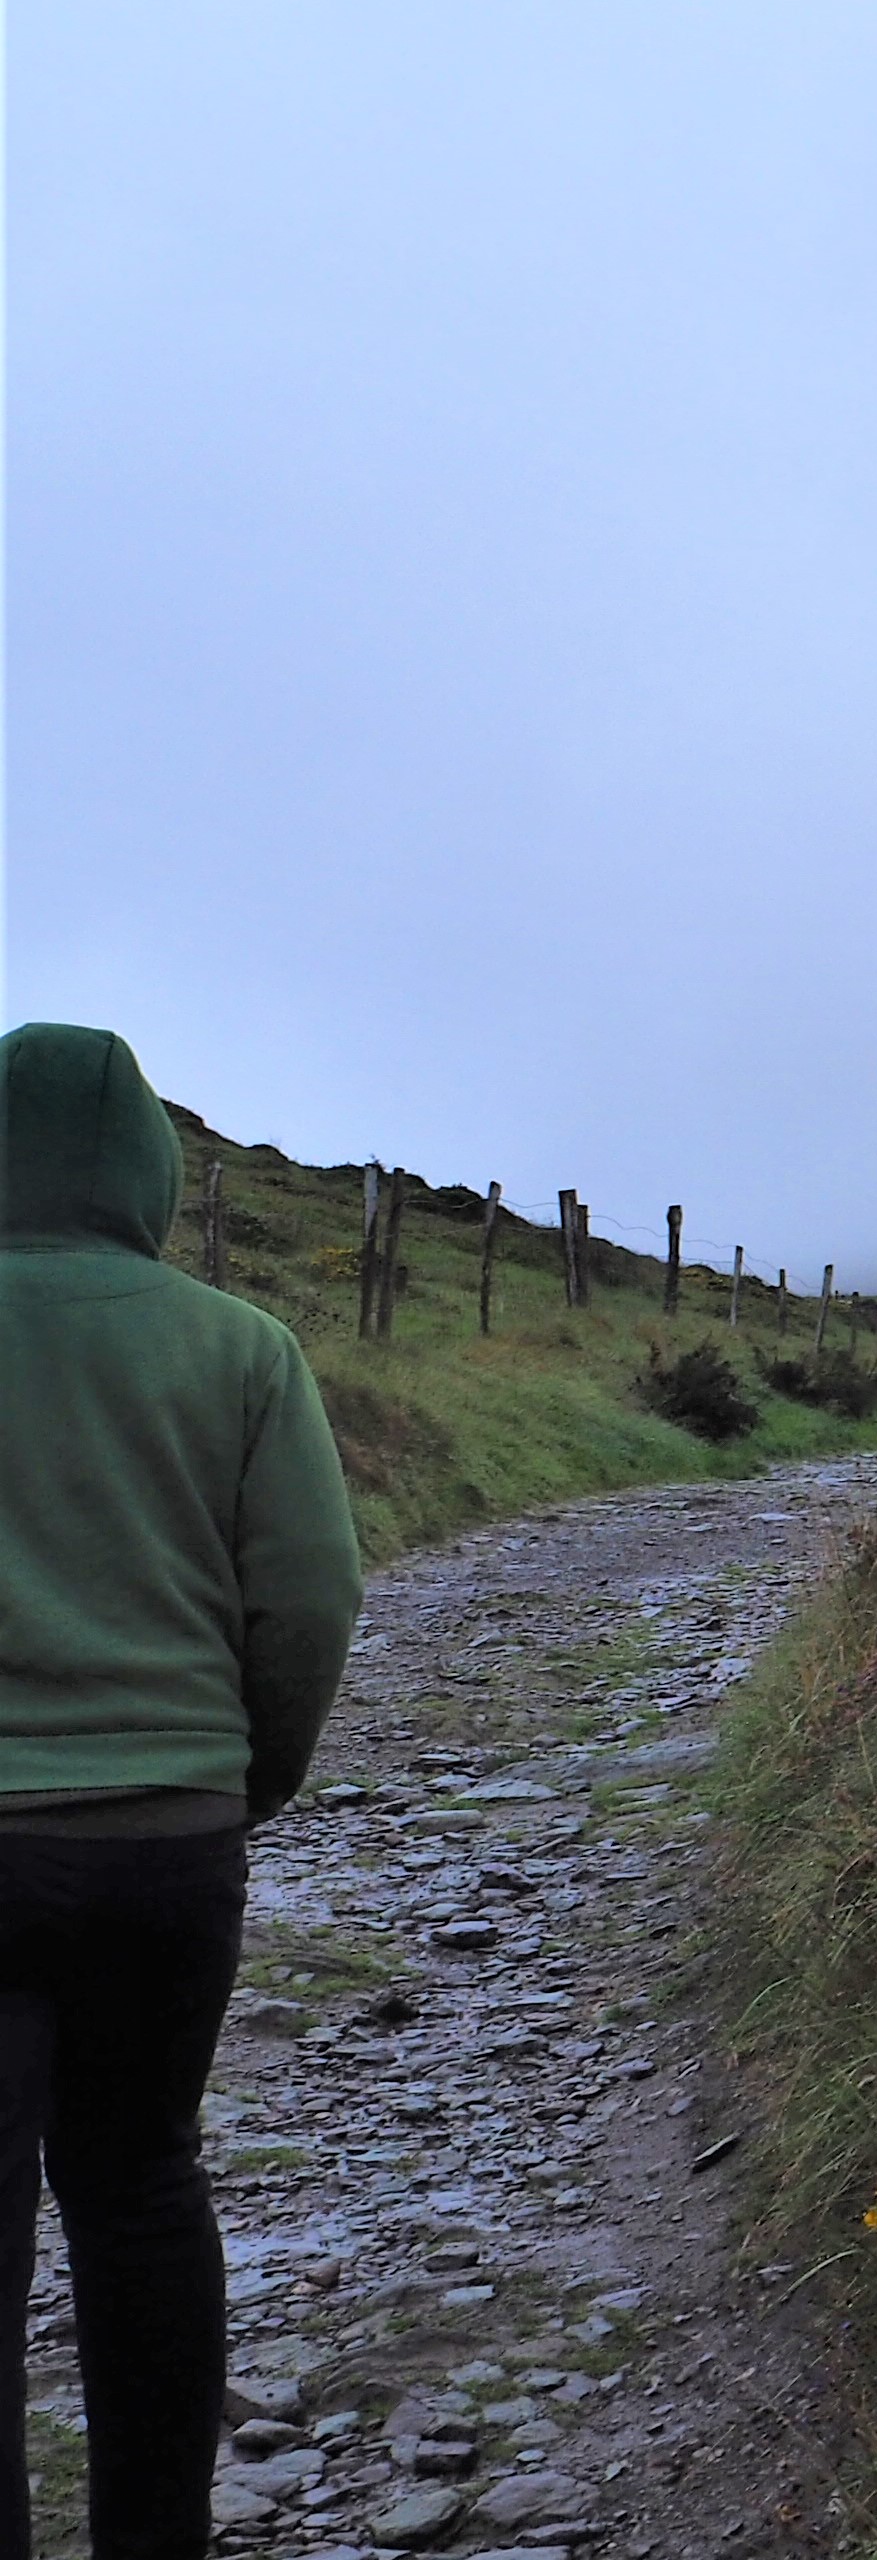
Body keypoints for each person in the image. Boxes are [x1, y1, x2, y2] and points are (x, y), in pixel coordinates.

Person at [1, 1023, 363, 2560]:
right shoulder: (238, 1346)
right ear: (149, 1171)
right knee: (141, 2185)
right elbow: (310, 1603)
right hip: (165, 1848)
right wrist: (240, 1781)